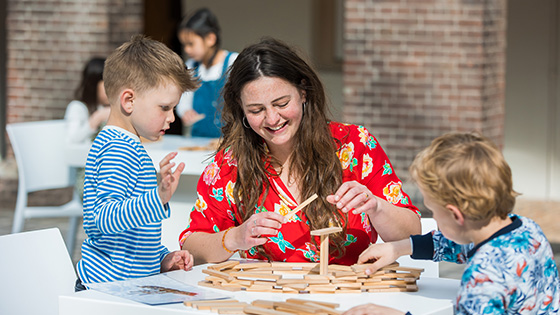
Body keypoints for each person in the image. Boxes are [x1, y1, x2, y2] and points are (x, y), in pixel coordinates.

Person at [180, 38, 421, 265]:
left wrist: (376, 207)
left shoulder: (355, 145)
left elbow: (413, 233)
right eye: (256, 110)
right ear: (241, 109)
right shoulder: (231, 164)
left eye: (282, 104)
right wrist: (234, 238)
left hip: (350, 299)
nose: (272, 118)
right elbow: (191, 245)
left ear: (303, 92)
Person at [344, 133, 560, 315]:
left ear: (456, 215)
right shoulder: (527, 230)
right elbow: (458, 245)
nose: (434, 219)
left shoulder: (482, 277)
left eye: (434, 211)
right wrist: (398, 248)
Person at [75, 35, 199, 290]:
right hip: (107, 289)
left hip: (124, 284)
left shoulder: (126, 145)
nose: (171, 118)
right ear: (129, 100)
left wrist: (162, 258)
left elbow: (132, 234)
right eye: (164, 107)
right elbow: (103, 219)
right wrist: (158, 197)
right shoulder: (117, 149)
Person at [176, 7, 238, 138]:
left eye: (191, 44)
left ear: (210, 39)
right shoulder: (191, 66)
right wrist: (186, 112)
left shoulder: (234, 62)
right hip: (199, 140)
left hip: (228, 141)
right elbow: (183, 100)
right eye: (184, 45)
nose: (187, 49)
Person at [64, 57, 111, 145]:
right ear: (93, 85)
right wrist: (97, 118)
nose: (113, 91)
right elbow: (72, 139)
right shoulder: (77, 107)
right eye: (108, 85)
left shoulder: (108, 108)